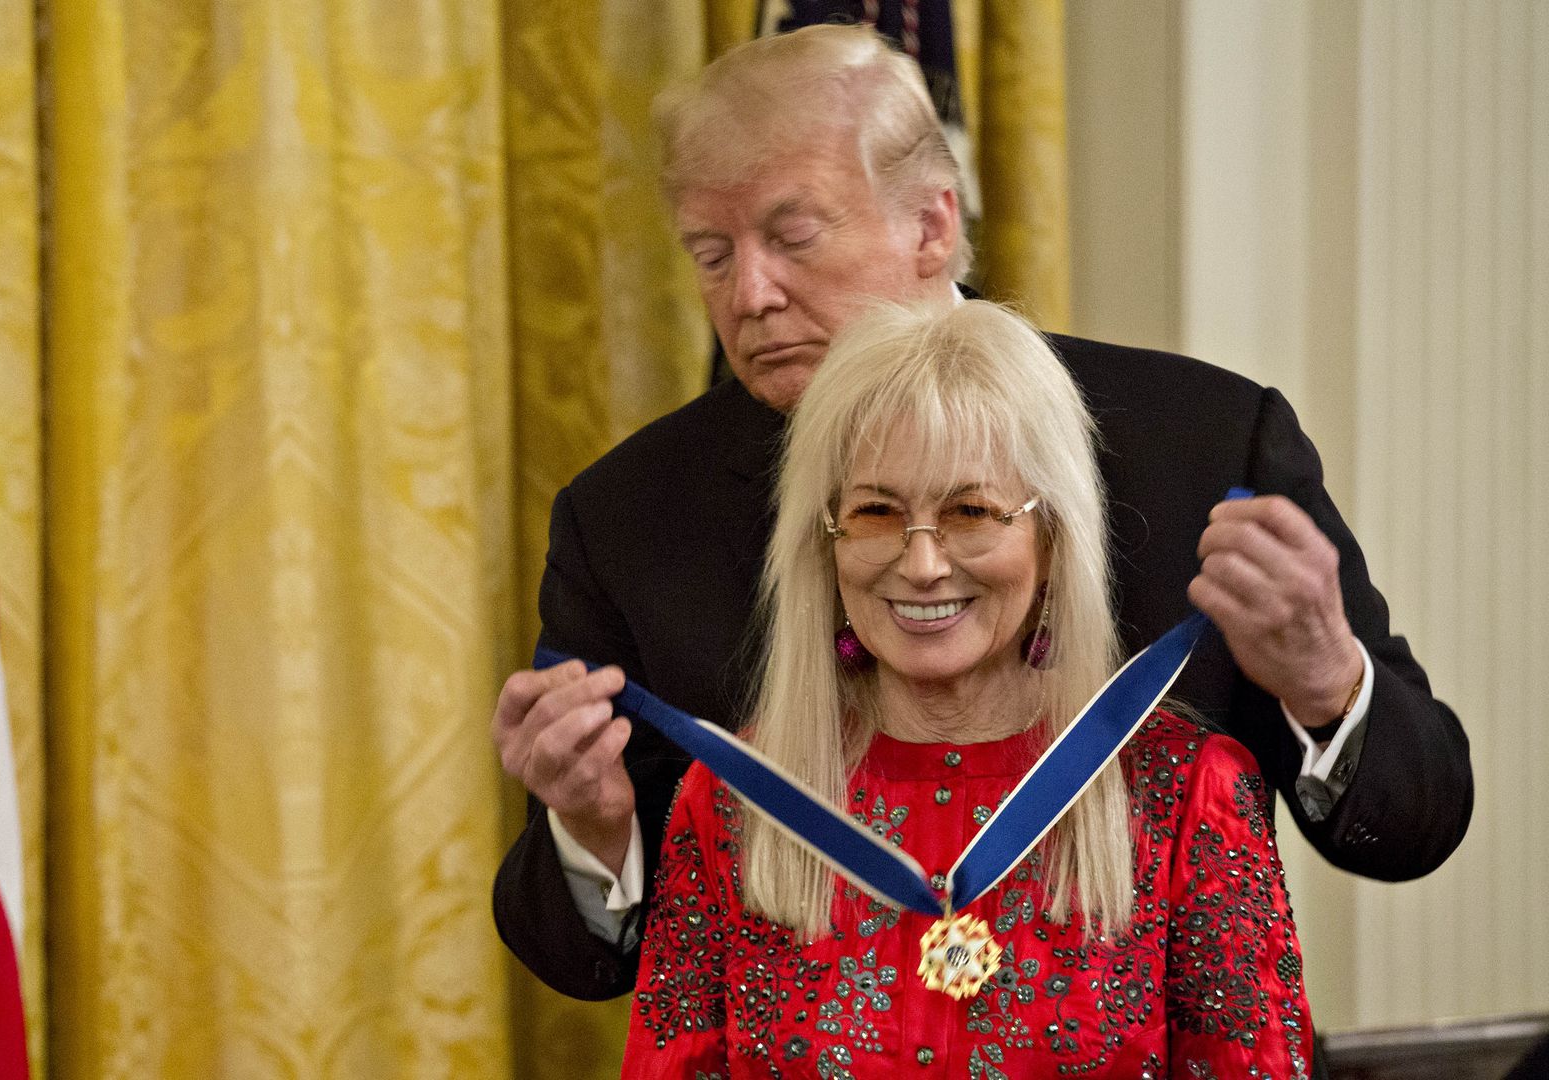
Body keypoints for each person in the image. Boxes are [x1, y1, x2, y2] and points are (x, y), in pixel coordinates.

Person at [492, 24, 1471, 1003]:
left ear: (931, 224)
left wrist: (1327, 682)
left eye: (793, 238)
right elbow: (581, 957)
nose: (749, 294)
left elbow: (1417, 824)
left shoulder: (1203, 448)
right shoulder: (628, 519)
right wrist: (591, 829)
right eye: (712, 254)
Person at [620, 297, 1312, 1077]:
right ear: (826, 543)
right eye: (876, 512)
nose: (922, 565)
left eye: (972, 510)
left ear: (1052, 540)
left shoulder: (1188, 793)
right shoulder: (731, 802)